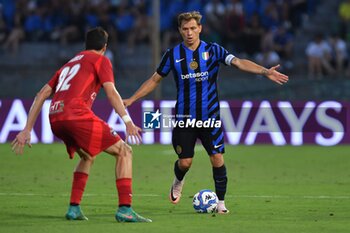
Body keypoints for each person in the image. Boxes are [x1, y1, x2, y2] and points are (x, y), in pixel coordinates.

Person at [123, 11, 289, 214]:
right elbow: (154, 80)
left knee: (217, 158)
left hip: (210, 117)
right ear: (180, 30)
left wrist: (265, 71)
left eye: (193, 28)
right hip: (184, 118)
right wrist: (132, 98)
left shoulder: (214, 50)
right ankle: (178, 180)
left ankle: (221, 203)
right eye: (185, 29)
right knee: (185, 162)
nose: (189, 33)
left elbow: (238, 62)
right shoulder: (173, 54)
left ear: (200, 28)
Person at [11, 27, 151, 223]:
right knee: (125, 151)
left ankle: (74, 208)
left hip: (55, 117)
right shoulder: (101, 60)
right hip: (75, 114)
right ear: (104, 47)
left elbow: (41, 94)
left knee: (87, 155)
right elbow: (111, 92)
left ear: (86, 45)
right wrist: (128, 121)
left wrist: (27, 129)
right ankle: (125, 209)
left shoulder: (68, 64)